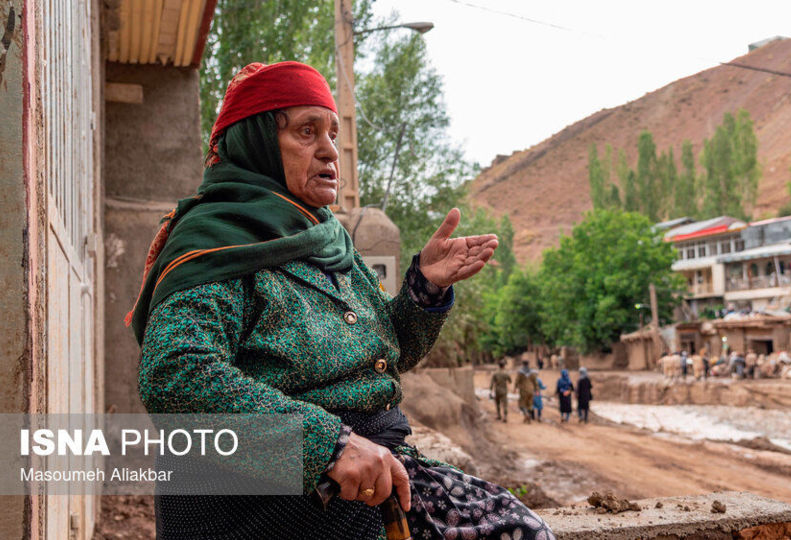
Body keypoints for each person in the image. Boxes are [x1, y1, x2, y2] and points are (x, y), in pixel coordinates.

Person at [129, 61, 553, 540]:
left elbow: (383, 358)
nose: (330, 151)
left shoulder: (326, 238)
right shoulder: (216, 242)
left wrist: (425, 288)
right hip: (270, 502)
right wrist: (327, 446)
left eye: (332, 133)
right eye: (307, 132)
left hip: (370, 474)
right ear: (258, 144)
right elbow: (175, 373)